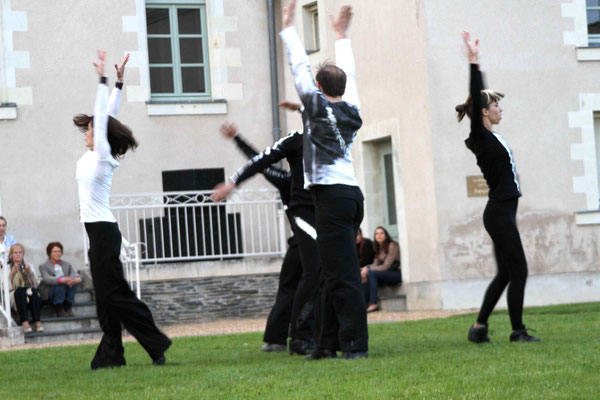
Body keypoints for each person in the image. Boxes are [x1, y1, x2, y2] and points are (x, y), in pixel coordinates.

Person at [280, 1, 367, 360]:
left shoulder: (315, 106)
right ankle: (326, 343)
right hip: (348, 196)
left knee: (343, 276)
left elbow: (298, 66)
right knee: (333, 273)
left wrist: (288, 27)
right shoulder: (352, 109)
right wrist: (341, 38)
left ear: (317, 86)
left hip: (332, 199)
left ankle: (354, 346)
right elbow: (351, 77)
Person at [73, 51, 171, 369]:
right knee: (106, 296)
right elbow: (108, 116)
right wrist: (118, 82)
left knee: (115, 294)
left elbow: (102, 118)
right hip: (99, 232)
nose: (86, 133)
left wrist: (101, 80)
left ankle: (155, 344)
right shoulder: (97, 154)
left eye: (88, 129)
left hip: (102, 231)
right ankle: (112, 353)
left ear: (99, 135)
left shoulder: (102, 156)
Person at [212, 101, 320, 356]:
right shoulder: (288, 181)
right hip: (303, 239)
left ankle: (276, 338)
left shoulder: (287, 179)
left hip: (299, 240)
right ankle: (287, 337)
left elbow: (262, 161)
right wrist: (238, 140)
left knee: (291, 286)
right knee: (306, 281)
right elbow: (261, 160)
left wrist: (299, 109)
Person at [456, 32, 540, 343]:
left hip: (502, 212)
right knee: (519, 270)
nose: (500, 109)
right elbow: (475, 92)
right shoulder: (479, 136)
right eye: (495, 105)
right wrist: (474, 63)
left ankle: (479, 329)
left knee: (506, 273)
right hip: (499, 214)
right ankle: (517, 332)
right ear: (483, 112)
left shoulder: (493, 137)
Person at [360, 226, 402, 313]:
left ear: (386, 235)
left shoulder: (392, 245)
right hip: (386, 274)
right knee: (366, 274)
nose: (379, 235)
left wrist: (367, 268)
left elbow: (386, 266)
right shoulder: (379, 247)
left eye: (381, 233)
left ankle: (373, 304)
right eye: (376, 234)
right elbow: (375, 264)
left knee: (371, 273)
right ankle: (362, 304)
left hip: (396, 274)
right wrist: (365, 268)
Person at [38, 242, 82, 317]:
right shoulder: (43, 266)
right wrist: (62, 279)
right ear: (49, 253)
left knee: (73, 283)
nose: (58, 253)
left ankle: (68, 306)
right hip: (49, 291)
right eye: (55, 251)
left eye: (59, 251)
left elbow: (75, 274)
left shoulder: (67, 264)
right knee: (61, 282)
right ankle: (59, 307)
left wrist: (77, 279)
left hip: (65, 289)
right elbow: (47, 279)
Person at [8, 243, 43, 333]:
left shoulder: (29, 266)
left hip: (28, 291)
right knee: (20, 291)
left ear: (23, 254)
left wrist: (29, 272)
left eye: (20, 252)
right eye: (15, 252)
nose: (18, 254)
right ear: (11, 255)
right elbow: (6, 287)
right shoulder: (6, 267)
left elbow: (35, 284)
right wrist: (11, 273)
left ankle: (37, 322)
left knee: (34, 292)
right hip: (13, 293)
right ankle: (25, 323)